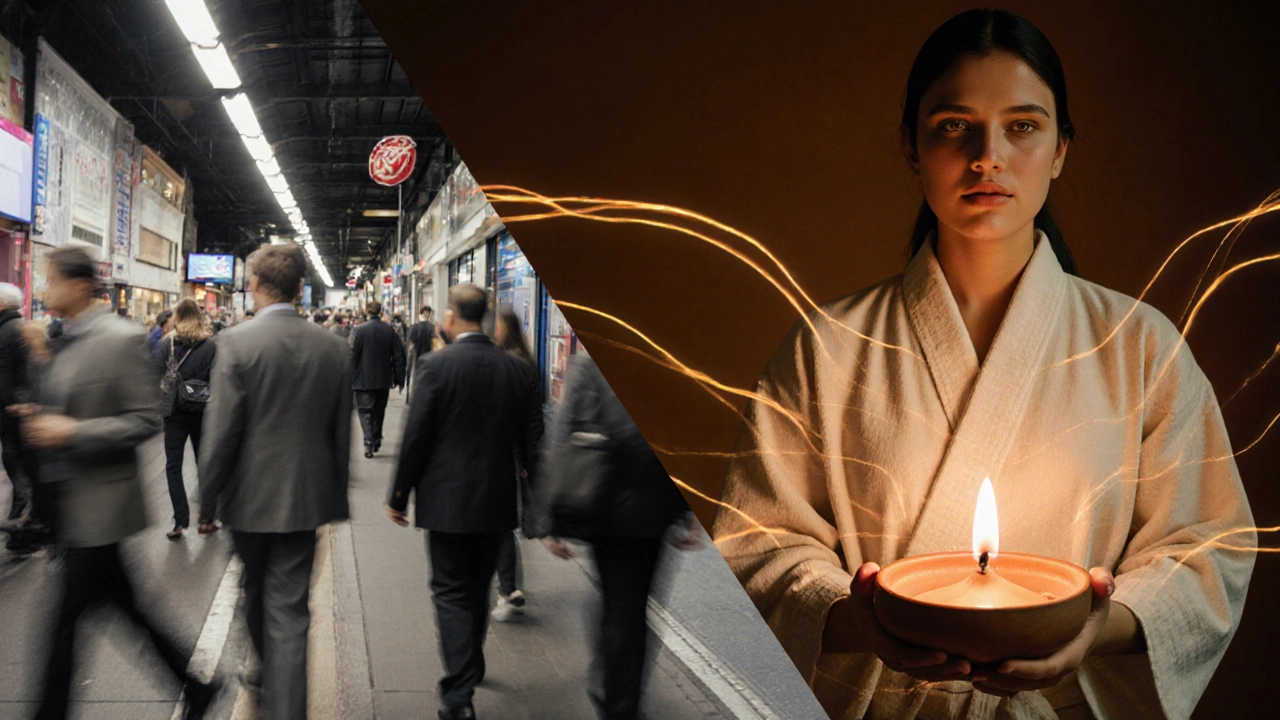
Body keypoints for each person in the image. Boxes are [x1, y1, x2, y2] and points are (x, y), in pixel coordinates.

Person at [709, 10, 1256, 720]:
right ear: (912, 145)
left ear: (1061, 148)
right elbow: (754, 547)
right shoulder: (827, 347)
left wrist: (1095, 626)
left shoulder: (1140, 346)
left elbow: (1207, 548)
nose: (987, 157)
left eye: (1022, 127)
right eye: (953, 125)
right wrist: (859, 617)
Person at [22, 246, 218, 720]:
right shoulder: (62, 338)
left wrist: (71, 431)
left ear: (79, 285)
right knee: (128, 610)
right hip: (75, 509)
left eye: (52, 281)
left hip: (101, 509)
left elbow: (143, 419)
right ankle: (194, 686)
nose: (46, 291)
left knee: (64, 627)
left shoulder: (119, 338)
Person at [198, 243, 352, 719]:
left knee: (254, 590)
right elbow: (340, 432)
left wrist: (206, 502)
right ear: (301, 289)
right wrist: (334, 493)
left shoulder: (237, 344)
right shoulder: (332, 347)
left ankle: (264, 668)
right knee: (289, 611)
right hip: (306, 500)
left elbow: (221, 432)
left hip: (247, 500)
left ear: (255, 286)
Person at [386, 284, 544, 720]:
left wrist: (399, 495)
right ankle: (469, 665)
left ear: (452, 317)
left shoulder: (435, 367)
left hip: (445, 502)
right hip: (496, 502)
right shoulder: (519, 372)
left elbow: (415, 438)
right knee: (477, 590)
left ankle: (458, 696)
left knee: (451, 593)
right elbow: (533, 445)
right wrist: (539, 504)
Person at [537, 352, 700, 720]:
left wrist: (551, 519)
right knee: (633, 607)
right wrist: (687, 510)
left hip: (602, 503)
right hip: (655, 507)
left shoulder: (588, 365)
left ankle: (617, 701)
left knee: (617, 608)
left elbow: (561, 439)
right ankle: (622, 696)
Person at [489, 308, 538, 622]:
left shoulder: (506, 364)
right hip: (516, 454)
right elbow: (533, 422)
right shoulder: (528, 361)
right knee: (504, 523)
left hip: (502, 454)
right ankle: (508, 586)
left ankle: (507, 587)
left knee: (499, 523)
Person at [154, 298, 216, 540]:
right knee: (206, 466)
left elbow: (156, 375)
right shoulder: (210, 346)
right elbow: (217, 379)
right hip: (203, 412)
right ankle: (207, 519)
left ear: (177, 317)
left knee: (173, 467)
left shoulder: (167, 344)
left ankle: (180, 521)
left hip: (174, 414)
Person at [350, 300, 405, 458]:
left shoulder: (358, 331)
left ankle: (368, 440)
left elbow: (352, 355)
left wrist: (349, 377)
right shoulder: (389, 331)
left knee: (365, 411)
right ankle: (376, 438)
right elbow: (398, 356)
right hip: (383, 379)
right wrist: (399, 378)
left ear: (366, 313)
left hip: (362, 380)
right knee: (379, 411)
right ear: (380, 312)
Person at [405, 306, 436, 398]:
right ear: (429, 315)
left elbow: (409, 344)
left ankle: (412, 396)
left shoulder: (414, 328)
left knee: (414, 377)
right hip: (430, 357)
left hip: (416, 357)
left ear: (420, 315)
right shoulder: (433, 328)